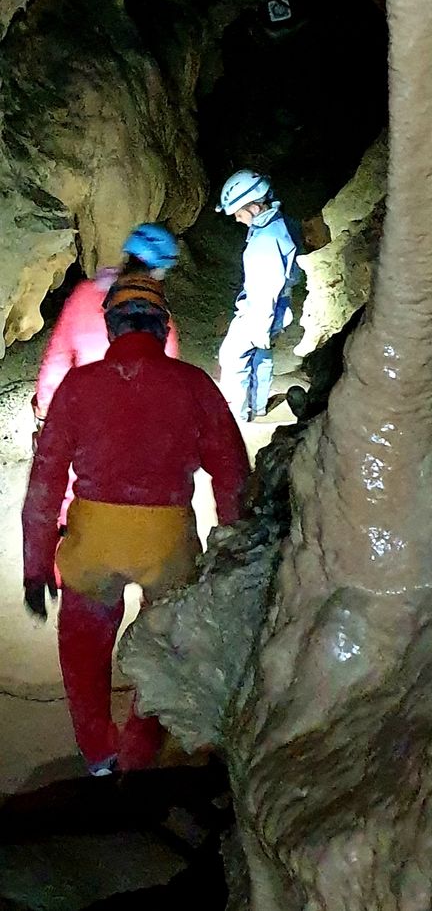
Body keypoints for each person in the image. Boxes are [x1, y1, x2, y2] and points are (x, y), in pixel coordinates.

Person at [21, 273, 249, 776]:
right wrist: (233, 546)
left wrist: (36, 565)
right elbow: (232, 472)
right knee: (163, 647)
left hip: (92, 542)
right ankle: (141, 750)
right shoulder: (194, 385)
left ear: (111, 325)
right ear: (163, 326)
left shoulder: (80, 386)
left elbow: (45, 484)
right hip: (167, 542)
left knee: (83, 648)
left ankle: (99, 756)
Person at [33, 223, 181, 426]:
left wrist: (45, 408)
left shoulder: (85, 294)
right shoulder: (161, 318)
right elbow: (166, 382)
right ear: (160, 271)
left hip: (85, 413)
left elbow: (58, 357)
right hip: (131, 425)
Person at [216, 170, 298, 422]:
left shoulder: (264, 243)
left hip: (260, 312)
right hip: (279, 309)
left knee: (232, 357)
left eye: (239, 214)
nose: (239, 220)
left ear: (253, 206)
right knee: (261, 356)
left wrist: (259, 327)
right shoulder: (278, 225)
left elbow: (266, 288)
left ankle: (237, 418)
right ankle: (258, 406)